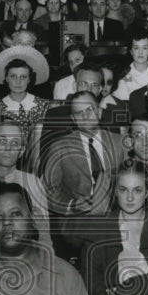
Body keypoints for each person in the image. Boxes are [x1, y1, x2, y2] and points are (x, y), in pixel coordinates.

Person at [80, 159, 148, 295]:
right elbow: (92, 286)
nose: (129, 198)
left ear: (147, 192)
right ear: (115, 191)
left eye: (137, 190)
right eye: (123, 189)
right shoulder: (99, 229)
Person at [43, 90, 126, 250]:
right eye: (79, 113)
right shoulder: (60, 147)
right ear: (73, 119)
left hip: (118, 214)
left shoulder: (120, 143)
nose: (86, 116)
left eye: (90, 110)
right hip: (77, 219)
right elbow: (48, 191)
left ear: (99, 112)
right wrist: (71, 205)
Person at [0, 119, 53, 249]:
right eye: (2, 141)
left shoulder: (32, 182)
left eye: (14, 143)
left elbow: (43, 232)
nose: (8, 148)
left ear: (22, 150)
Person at [0, 47, 52, 129]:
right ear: (7, 79)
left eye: (23, 77)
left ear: (29, 79)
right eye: (13, 76)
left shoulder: (43, 105)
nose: (18, 82)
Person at [108, 30, 148, 104]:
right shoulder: (124, 76)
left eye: (144, 48)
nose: (140, 52)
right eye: (136, 48)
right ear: (131, 51)